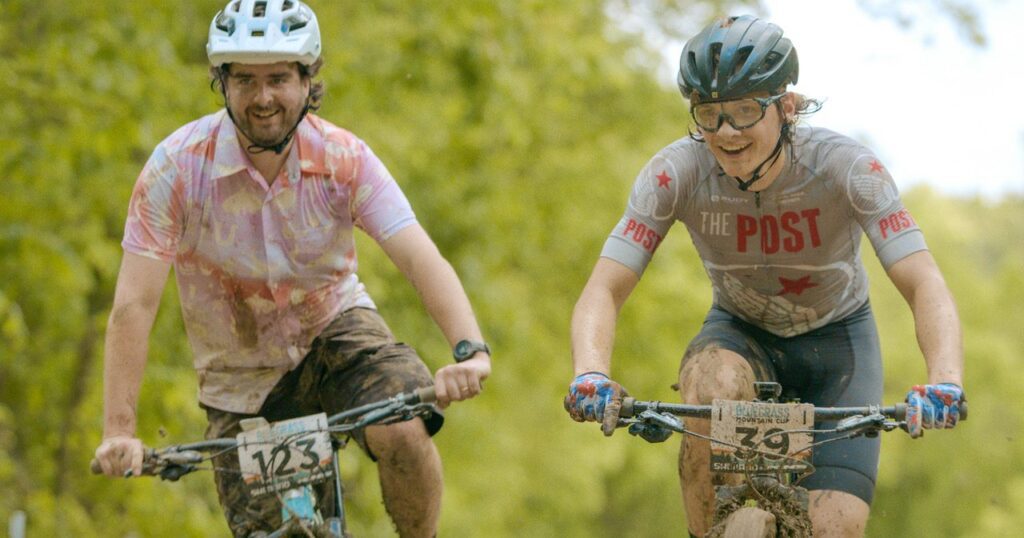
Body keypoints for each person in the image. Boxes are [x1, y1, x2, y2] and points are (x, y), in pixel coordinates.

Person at [92, 1, 491, 536]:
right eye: (245, 81)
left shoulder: (344, 157)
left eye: (279, 78)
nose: (263, 98)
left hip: (337, 335)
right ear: (222, 82)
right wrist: (120, 431)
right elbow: (134, 305)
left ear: (308, 79)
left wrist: (469, 350)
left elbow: (419, 257)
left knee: (402, 428)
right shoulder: (176, 168)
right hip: (240, 380)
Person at [564, 14, 964, 538]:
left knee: (833, 530)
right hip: (739, 334)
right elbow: (605, 287)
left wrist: (945, 380)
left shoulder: (848, 170)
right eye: (709, 115)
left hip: (839, 351)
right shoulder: (673, 173)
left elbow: (923, 281)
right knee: (711, 385)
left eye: (746, 110)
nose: (726, 132)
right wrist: (590, 372)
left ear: (787, 107)